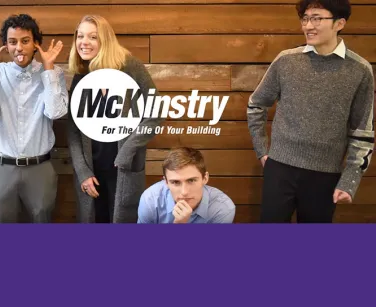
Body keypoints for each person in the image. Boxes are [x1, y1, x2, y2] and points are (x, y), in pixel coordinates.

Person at [247, 0, 374, 223]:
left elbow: (362, 131)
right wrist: (262, 151)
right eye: (305, 19)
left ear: (339, 23)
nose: (308, 26)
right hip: (279, 168)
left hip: (325, 175)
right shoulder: (286, 60)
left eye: (317, 18)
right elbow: (256, 105)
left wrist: (350, 179)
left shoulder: (360, 70)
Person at [67, 15, 163, 223]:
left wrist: (127, 151)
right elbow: (73, 129)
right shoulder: (81, 75)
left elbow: (155, 113)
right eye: (80, 36)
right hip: (92, 169)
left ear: (105, 40)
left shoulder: (130, 67)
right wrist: (83, 171)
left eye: (93, 37)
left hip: (124, 167)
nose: (84, 42)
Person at [0, 14, 68, 223]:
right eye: (12, 42)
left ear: (35, 43)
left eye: (25, 41)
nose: (19, 48)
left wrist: (49, 68)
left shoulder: (53, 73)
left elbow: (56, 113)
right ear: (5, 45)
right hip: (2, 167)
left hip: (40, 168)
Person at [137, 147, 235, 224]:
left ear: (205, 178)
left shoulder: (222, 208)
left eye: (191, 180)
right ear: (166, 182)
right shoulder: (150, 200)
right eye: (175, 182)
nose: (184, 192)